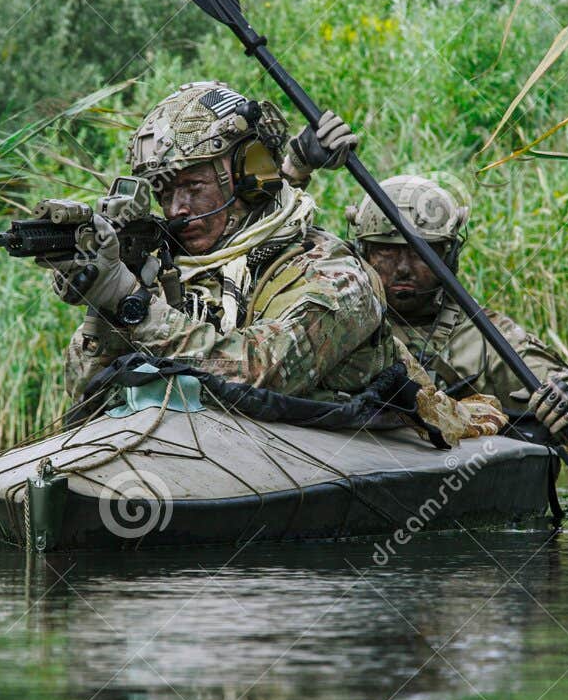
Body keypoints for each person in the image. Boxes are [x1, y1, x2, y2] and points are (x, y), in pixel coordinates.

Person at [42, 82, 505, 441]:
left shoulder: (337, 274)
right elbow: (84, 389)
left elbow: (259, 373)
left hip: (361, 443)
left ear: (250, 177)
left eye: (193, 186)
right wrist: (102, 300)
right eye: (164, 192)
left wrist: (132, 304)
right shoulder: (179, 272)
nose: (176, 209)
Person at [347, 175, 568, 444]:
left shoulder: (485, 338)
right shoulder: (342, 326)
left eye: (421, 253)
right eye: (387, 252)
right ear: (364, 252)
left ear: (448, 257)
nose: (403, 268)